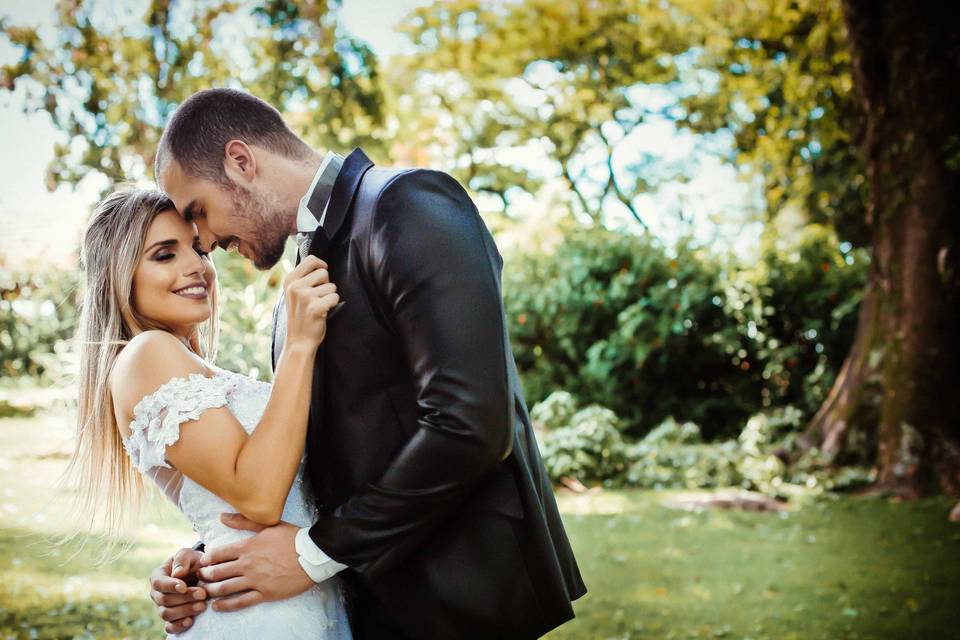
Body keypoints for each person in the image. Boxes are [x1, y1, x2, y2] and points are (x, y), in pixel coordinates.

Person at [149, 88, 586, 639]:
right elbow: (314, 462)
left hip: (461, 597)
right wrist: (212, 560)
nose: (204, 242)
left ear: (241, 162)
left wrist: (314, 553)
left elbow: (470, 422)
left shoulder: (406, 203)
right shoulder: (295, 292)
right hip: (363, 604)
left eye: (199, 212)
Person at [73, 188, 349, 638]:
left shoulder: (183, 363)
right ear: (120, 277)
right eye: (164, 255)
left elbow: (228, 502)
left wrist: (197, 554)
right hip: (259, 618)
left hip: (286, 595)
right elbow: (259, 497)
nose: (196, 267)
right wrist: (300, 344)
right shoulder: (147, 353)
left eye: (199, 249)